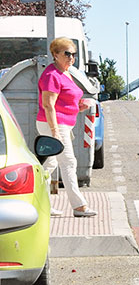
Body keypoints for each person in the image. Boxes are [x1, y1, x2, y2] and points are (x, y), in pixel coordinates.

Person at [36, 37, 96, 218]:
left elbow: (64, 103)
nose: (72, 58)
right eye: (67, 53)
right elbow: (48, 105)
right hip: (53, 125)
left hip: (61, 124)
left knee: (49, 164)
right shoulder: (51, 75)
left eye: (74, 54)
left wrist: (79, 107)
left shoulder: (66, 73)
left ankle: (42, 205)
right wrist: (55, 133)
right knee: (68, 162)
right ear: (55, 54)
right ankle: (79, 206)